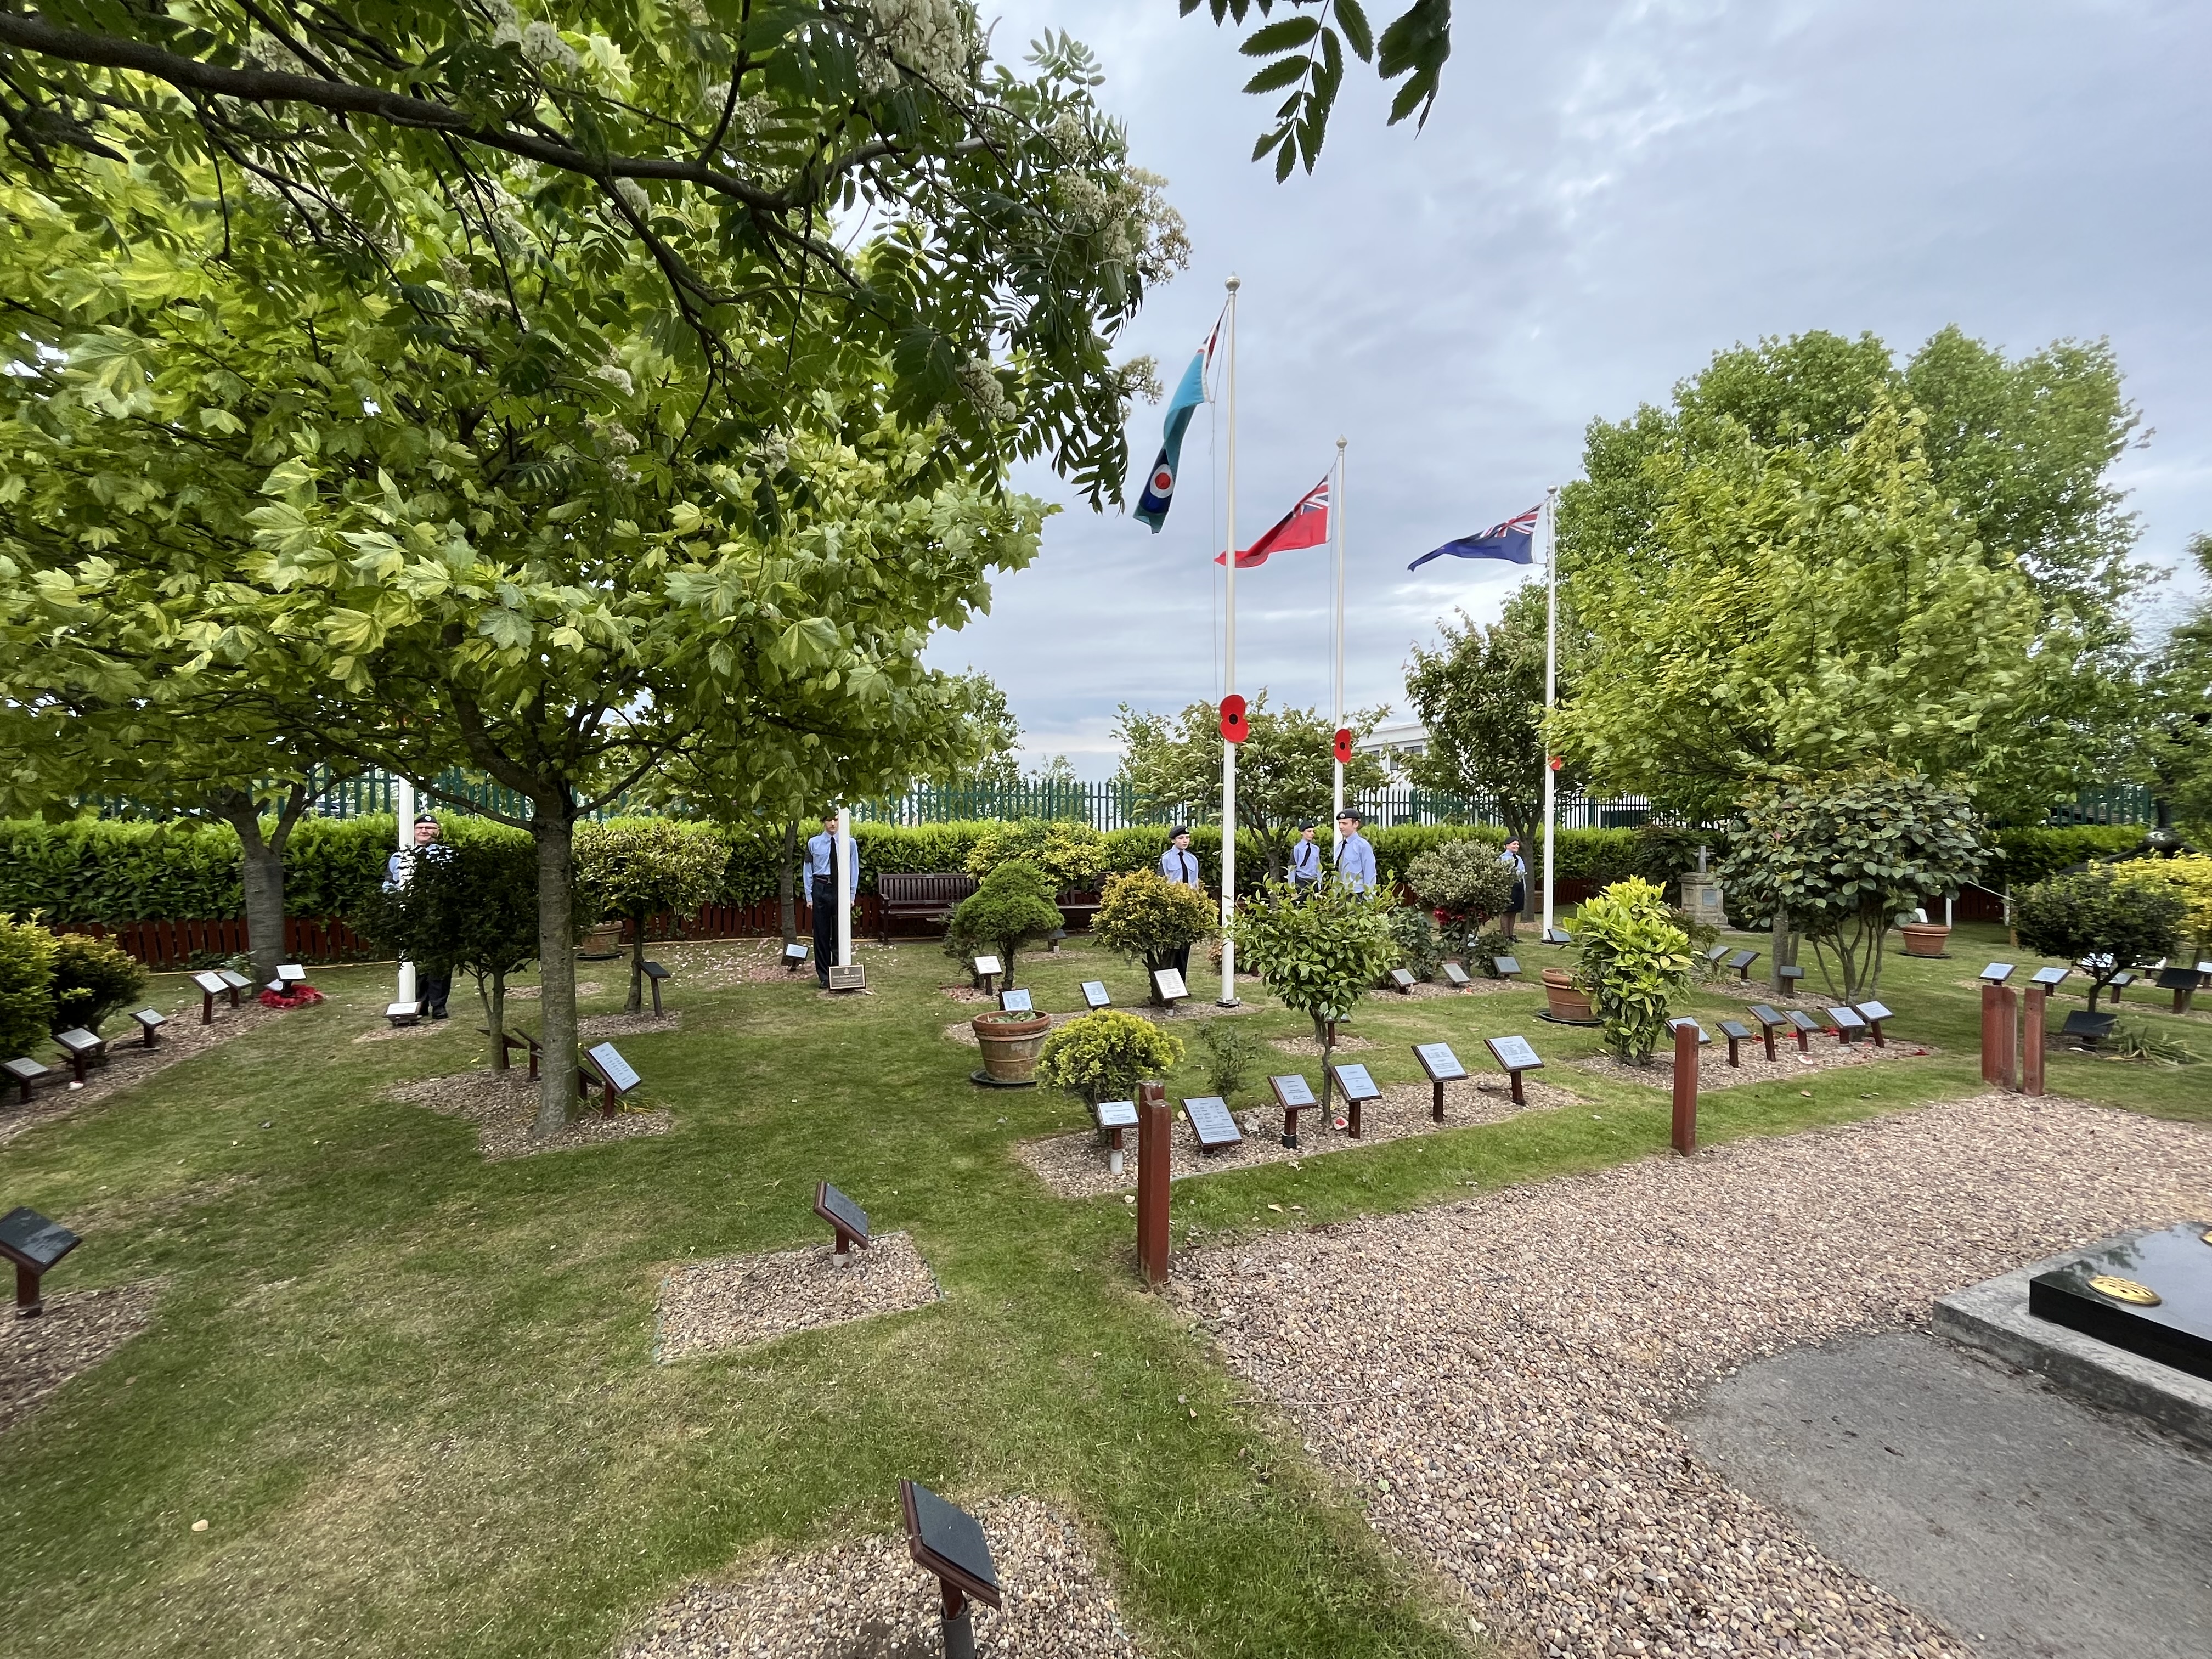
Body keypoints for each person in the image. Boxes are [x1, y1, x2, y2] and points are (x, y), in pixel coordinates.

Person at [383, 815, 453, 1019]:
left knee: (439, 962)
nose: (424, 831)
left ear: (438, 832)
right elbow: (388, 884)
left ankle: (439, 1005)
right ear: (413, 831)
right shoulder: (399, 857)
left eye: (430, 828)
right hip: (410, 916)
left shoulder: (448, 855)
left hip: (438, 914)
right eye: (420, 827)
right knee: (415, 962)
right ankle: (420, 1004)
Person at [802, 814, 861, 988]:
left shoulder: (849, 843)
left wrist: (851, 895)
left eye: (836, 820)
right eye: (829, 820)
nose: (833, 824)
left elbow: (853, 869)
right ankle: (824, 976)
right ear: (823, 822)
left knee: (840, 932)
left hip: (840, 888)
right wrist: (809, 896)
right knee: (821, 934)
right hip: (821, 888)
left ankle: (838, 972)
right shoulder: (813, 843)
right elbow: (808, 870)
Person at [1159, 825, 1204, 979]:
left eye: (1187, 838)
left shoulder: (1192, 859)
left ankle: (1182, 983)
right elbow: (1162, 881)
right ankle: (1169, 984)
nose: (1185, 841)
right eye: (1181, 838)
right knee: (1171, 948)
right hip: (1173, 905)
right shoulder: (1166, 858)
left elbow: (1195, 883)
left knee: (1185, 947)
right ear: (1173, 840)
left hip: (1189, 906)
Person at [1333, 811, 1376, 893]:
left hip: (1358, 893)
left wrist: (1369, 898)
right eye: (1340, 823)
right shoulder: (1340, 847)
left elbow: (1370, 873)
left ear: (1356, 824)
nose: (1341, 827)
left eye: (1345, 824)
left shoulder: (1363, 846)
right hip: (1341, 894)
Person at [1498, 836, 1529, 941]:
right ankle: (1505, 936)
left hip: (1518, 888)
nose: (1517, 846)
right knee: (1506, 912)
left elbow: (1522, 875)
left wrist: (1524, 888)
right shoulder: (1503, 858)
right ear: (1507, 846)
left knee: (1514, 912)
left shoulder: (1519, 859)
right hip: (1509, 887)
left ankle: (1511, 935)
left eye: (1517, 844)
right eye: (1514, 844)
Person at [1289, 821, 1323, 894]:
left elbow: (1318, 867)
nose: (1312, 834)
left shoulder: (1316, 849)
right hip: (1301, 881)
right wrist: (1292, 888)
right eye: (1309, 831)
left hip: (1314, 882)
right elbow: (1292, 868)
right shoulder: (1297, 849)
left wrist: (1319, 886)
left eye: (1313, 831)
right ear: (1302, 833)